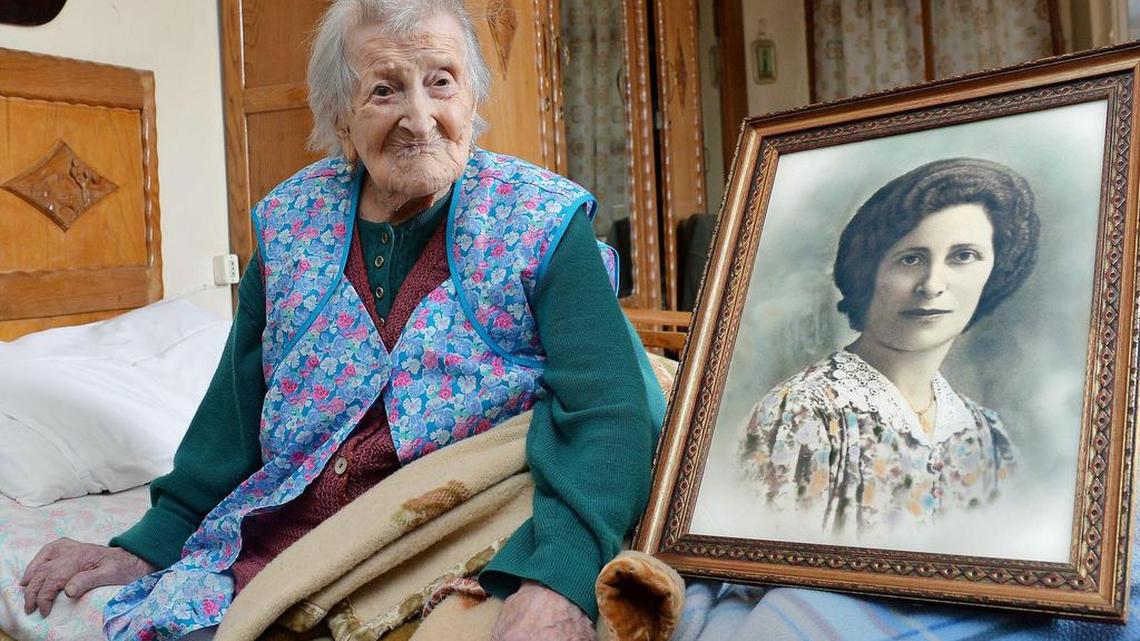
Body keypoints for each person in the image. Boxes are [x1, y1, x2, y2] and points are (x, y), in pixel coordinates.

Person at [18, 1, 662, 639]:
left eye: (442, 81)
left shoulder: (543, 222)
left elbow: (609, 411)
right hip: (293, 544)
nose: (420, 118)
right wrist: (149, 543)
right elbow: (233, 419)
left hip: (459, 539)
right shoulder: (290, 223)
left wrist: (560, 580)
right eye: (384, 90)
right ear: (338, 114)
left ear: (472, 96)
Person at [737, 158, 1039, 536]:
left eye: (963, 256)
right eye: (911, 259)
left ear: (995, 270)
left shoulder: (987, 436)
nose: (932, 285)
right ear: (869, 272)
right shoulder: (803, 414)